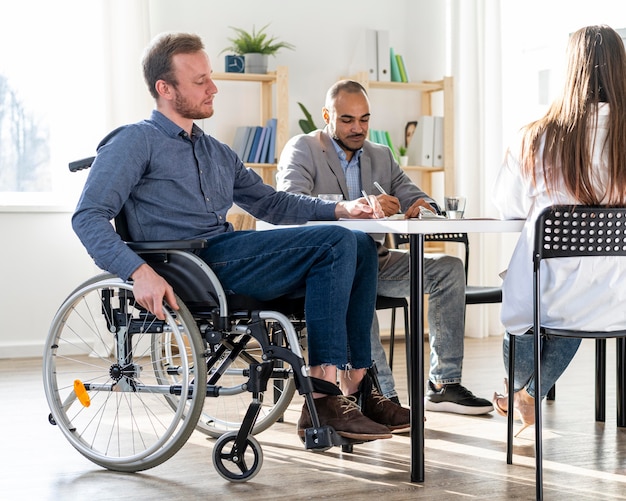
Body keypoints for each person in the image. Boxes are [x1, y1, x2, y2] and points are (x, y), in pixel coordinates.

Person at [72, 32, 411, 442]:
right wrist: (138, 271)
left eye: (210, 77)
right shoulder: (134, 141)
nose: (213, 87)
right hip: (187, 265)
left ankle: (357, 387)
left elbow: (273, 204)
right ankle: (322, 395)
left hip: (226, 255)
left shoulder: (216, 151)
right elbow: (88, 217)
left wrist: (343, 208)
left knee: (356, 241)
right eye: (199, 81)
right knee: (338, 242)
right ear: (165, 88)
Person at [276, 79, 494, 415]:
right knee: (356, 280)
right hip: (325, 266)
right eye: (347, 119)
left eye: (364, 119)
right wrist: (354, 206)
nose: (357, 127)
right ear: (326, 116)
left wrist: (422, 206)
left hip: (375, 259)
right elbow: (292, 204)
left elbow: (417, 196)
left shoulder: (380, 154)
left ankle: (443, 385)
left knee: (449, 269)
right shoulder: (303, 148)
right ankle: (382, 396)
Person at [492, 24, 626, 433]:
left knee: (534, 310)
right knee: (576, 304)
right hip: (616, 296)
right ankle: (526, 396)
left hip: (548, 292)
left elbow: (507, 207)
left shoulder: (536, 137)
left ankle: (522, 395)